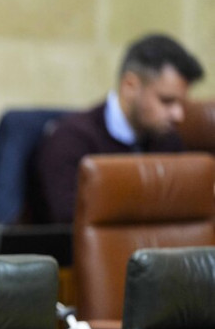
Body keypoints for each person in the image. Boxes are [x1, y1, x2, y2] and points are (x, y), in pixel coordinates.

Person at [33, 33, 204, 223]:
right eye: (167, 101)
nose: (178, 115)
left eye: (182, 104)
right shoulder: (71, 139)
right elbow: (68, 220)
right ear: (130, 86)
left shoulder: (168, 140)